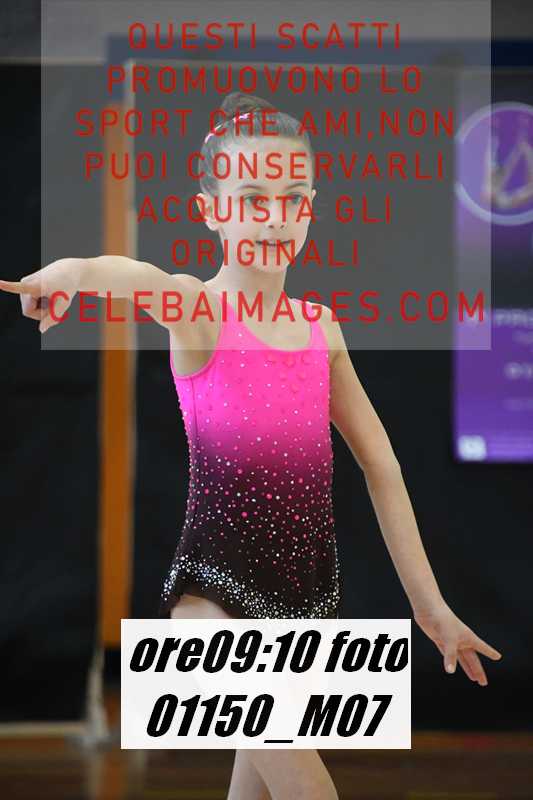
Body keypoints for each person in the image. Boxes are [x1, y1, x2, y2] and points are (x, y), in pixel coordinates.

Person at [0, 91, 503, 800]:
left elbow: (382, 466)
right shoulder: (199, 308)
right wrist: (73, 274)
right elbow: (137, 279)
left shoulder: (320, 328)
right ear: (211, 210)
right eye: (251, 198)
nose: (273, 216)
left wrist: (431, 607)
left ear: (311, 208)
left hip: (306, 599)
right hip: (213, 597)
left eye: (291, 198)